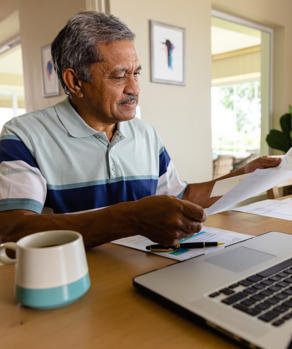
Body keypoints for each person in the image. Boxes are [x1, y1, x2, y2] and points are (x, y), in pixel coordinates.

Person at [0, 12, 280, 248]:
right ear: (75, 82)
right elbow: (13, 228)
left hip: (146, 276)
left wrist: (244, 177)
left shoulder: (145, 134)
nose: (134, 88)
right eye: (119, 75)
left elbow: (181, 197)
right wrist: (129, 219)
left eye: (136, 73)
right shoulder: (23, 136)